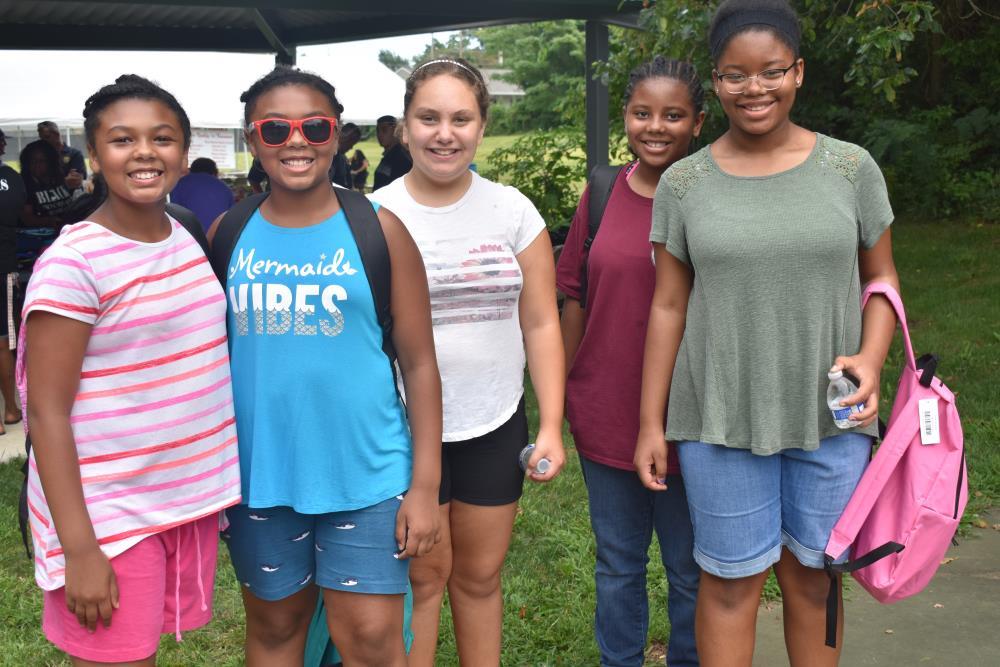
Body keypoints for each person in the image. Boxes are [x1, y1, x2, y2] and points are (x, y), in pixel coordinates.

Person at [635, 1, 900, 664]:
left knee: (815, 579)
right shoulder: (685, 183)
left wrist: (872, 357)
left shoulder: (851, 168)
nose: (755, 88)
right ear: (716, 84)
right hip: (719, 418)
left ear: (799, 72)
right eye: (735, 75)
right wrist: (650, 424)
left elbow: (884, 283)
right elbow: (668, 306)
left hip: (832, 416)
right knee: (728, 585)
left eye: (772, 71)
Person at [211, 66, 442, 666]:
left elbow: (419, 366)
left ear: (335, 134)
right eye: (275, 128)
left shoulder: (379, 231)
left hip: (366, 475)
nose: (296, 141)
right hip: (260, 475)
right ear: (252, 138)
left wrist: (424, 486)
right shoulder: (228, 235)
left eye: (314, 126)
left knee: (368, 637)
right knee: (275, 630)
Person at [18, 74, 241, 665]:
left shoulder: (186, 233)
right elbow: (45, 411)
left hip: (178, 498)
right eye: (122, 140)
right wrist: (80, 549)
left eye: (162, 137)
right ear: (93, 155)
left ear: (185, 152)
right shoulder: (74, 263)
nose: (145, 152)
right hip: (110, 516)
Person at [370, 57, 566, 667]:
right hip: (398, 431)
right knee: (422, 582)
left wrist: (552, 425)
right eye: (428, 118)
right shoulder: (369, 216)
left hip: (492, 421)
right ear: (404, 127)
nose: (443, 133)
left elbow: (540, 322)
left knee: (479, 579)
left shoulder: (513, 212)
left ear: (482, 126)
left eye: (460, 118)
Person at [556, 56, 705, 667]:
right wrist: (562, 391)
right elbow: (571, 297)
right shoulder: (600, 192)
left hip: (694, 417)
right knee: (618, 561)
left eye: (674, 115)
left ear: (698, 122)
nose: (656, 127)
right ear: (626, 117)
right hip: (606, 409)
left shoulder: (716, 193)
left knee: (691, 567)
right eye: (643, 112)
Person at [18, 140, 75, 273]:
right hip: (37, 240)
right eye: (33, 161)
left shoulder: (59, 178)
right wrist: (50, 221)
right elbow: (27, 218)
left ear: (50, 162)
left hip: (66, 234)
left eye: (41, 161)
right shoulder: (24, 184)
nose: (37, 166)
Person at [0, 128, 23, 430]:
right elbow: (23, 215)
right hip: (2, 266)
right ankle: (9, 410)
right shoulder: (10, 179)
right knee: (3, 339)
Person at [170, 157, 235, 231]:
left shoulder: (178, 185)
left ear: (191, 170)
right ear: (214, 172)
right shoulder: (223, 187)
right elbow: (232, 215)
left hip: (189, 237)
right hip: (219, 236)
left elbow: (170, 211)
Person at [37, 120, 86, 191]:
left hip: (73, 199)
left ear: (57, 134)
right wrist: (64, 181)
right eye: (41, 139)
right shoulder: (43, 157)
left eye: (47, 137)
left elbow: (76, 181)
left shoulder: (74, 154)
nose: (43, 141)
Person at [372, 114, 411, 190]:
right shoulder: (389, 155)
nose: (379, 135)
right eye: (377, 131)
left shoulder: (401, 157)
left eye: (384, 130)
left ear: (395, 130)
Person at [330, 122, 362, 189]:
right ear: (346, 139)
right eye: (351, 143)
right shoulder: (331, 157)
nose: (351, 147)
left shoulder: (342, 157)